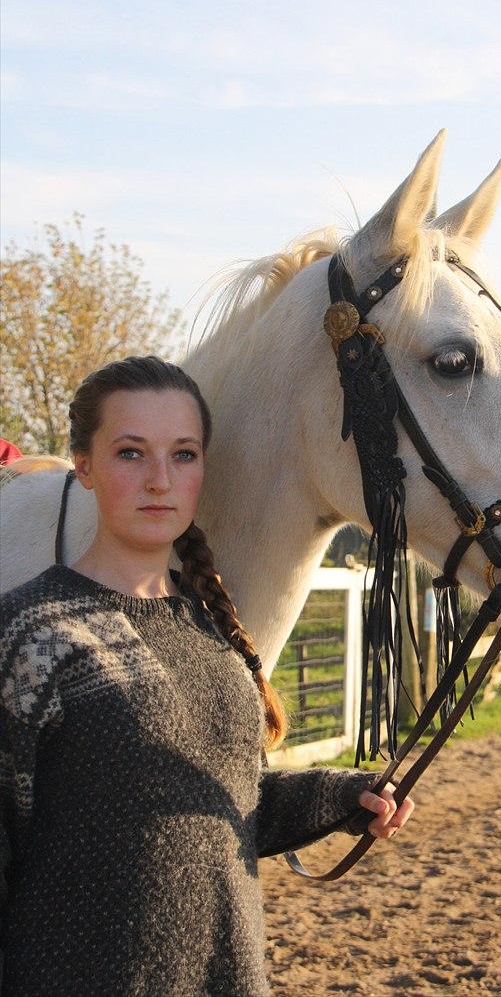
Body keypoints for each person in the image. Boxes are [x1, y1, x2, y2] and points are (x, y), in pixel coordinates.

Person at [0, 356, 414, 995]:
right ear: (83, 465)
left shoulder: (211, 629)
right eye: (131, 453)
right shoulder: (30, 633)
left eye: (184, 454)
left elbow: (219, 807)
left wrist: (342, 798)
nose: (161, 480)